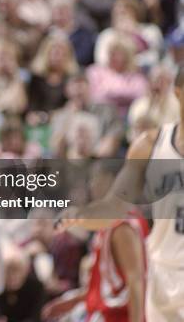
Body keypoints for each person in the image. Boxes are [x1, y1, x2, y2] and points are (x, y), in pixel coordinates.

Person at [59, 67, 184, 321]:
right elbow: (115, 206)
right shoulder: (149, 145)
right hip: (163, 277)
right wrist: (82, 217)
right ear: (179, 93)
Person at [43, 162, 148, 322]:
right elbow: (110, 285)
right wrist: (75, 300)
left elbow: (136, 281)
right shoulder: (108, 222)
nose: (91, 185)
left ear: (112, 181)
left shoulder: (122, 225)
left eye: (95, 178)